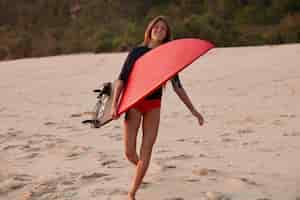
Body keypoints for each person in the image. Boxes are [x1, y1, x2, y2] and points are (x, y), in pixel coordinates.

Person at [110, 16, 204, 200]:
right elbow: (121, 79)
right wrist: (115, 104)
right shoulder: (137, 52)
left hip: (154, 105)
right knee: (129, 152)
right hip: (134, 103)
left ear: (166, 34)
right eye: (156, 27)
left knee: (146, 150)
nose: (159, 30)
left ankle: (132, 193)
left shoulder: (169, 58)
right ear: (150, 29)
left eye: (163, 28)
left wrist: (194, 111)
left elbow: (177, 86)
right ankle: (141, 170)